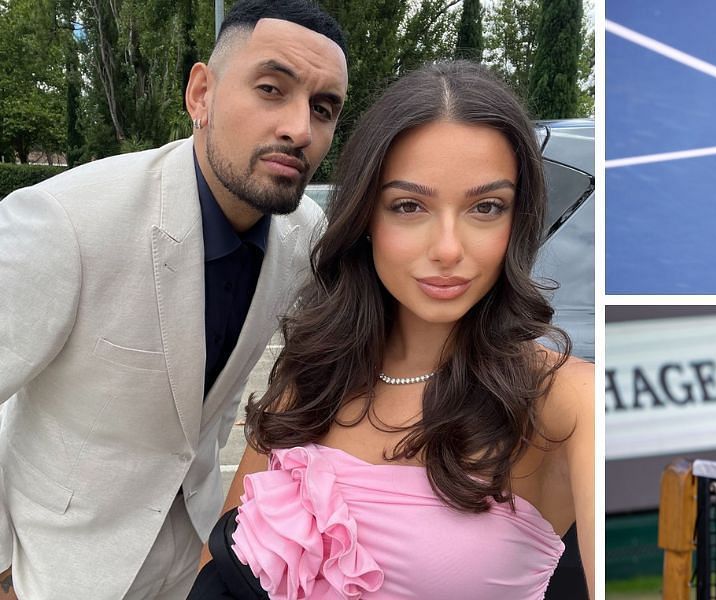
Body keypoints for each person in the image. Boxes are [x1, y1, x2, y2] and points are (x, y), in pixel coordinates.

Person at [189, 61, 595, 600]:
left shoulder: (564, 402)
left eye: (486, 207)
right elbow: (219, 570)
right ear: (366, 219)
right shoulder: (314, 376)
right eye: (409, 206)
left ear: (517, 222)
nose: (449, 248)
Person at [0, 1, 347, 597]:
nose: (299, 128)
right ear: (200, 95)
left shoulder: (304, 236)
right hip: (56, 566)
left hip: (193, 558)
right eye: (271, 89)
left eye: (323, 108)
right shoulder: (66, 221)